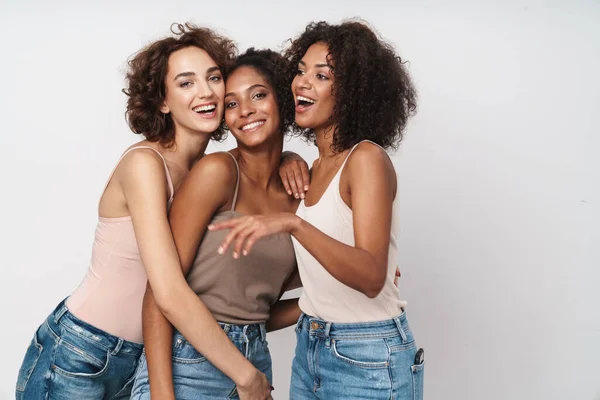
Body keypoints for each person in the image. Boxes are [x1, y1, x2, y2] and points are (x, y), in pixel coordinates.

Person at [15, 24, 278, 400]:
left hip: (142, 357)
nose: (205, 92)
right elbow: (168, 291)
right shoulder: (145, 165)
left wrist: (287, 161)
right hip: (80, 352)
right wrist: (246, 375)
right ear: (163, 101)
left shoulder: (212, 172)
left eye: (214, 78)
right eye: (186, 83)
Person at [210, 20, 423, 399]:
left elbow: (372, 278)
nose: (302, 83)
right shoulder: (310, 169)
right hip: (311, 346)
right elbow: (315, 282)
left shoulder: (366, 159)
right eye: (300, 70)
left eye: (321, 75)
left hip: (368, 354)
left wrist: (293, 224)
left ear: (354, 90)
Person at [130, 48, 302, 400]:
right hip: (187, 365)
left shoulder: (300, 192)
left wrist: (338, 291)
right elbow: (159, 296)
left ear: (282, 100)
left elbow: (257, 312)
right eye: (233, 103)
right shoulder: (217, 173)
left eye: (258, 95)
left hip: (253, 364)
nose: (246, 111)